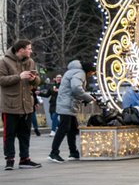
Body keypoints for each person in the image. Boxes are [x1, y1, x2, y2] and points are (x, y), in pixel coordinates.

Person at [0, 39, 42, 170]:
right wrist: (19, 76)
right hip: (10, 105)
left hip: (26, 105)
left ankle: (25, 159)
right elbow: (1, 80)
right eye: (29, 48)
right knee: (9, 134)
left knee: (25, 134)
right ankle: (10, 160)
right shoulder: (4, 61)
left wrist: (34, 79)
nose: (31, 51)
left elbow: (37, 81)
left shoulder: (30, 62)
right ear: (21, 50)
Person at [48, 60, 94, 162]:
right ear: (88, 71)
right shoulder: (80, 73)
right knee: (63, 128)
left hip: (67, 103)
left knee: (72, 129)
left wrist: (83, 98)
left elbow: (72, 89)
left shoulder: (73, 71)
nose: (92, 74)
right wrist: (89, 97)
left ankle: (73, 152)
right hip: (67, 104)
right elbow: (76, 88)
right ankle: (53, 153)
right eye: (92, 72)